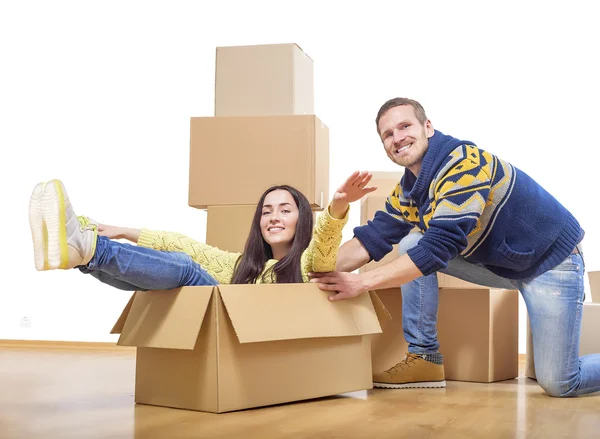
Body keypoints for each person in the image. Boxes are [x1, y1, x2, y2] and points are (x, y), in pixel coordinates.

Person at [309, 97, 600, 397]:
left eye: (404, 126)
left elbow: (438, 247)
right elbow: (370, 240)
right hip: (505, 265)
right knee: (412, 242)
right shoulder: (410, 187)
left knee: (560, 382)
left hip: (551, 265)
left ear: (428, 127)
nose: (397, 138)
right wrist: (307, 274)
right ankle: (424, 358)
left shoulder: (463, 164)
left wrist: (361, 282)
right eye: (387, 134)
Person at [29, 171, 375, 290]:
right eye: (266, 211)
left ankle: (89, 248)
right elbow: (188, 245)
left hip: (246, 339)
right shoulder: (241, 267)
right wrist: (120, 230)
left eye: (285, 210)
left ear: (302, 221)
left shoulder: (309, 266)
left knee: (185, 270)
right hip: (222, 333)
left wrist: (338, 207)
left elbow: (326, 245)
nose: (273, 217)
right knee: (175, 269)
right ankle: (80, 257)